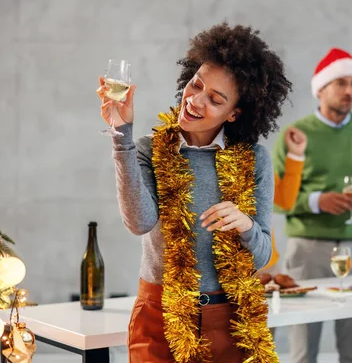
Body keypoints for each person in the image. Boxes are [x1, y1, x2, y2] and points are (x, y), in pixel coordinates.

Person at [98, 22, 292, 363]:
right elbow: (140, 222)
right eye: (196, 84)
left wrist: (245, 224)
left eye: (215, 99)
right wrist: (120, 134)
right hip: (161, 312)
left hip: (231, 317)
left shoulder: (254, 160)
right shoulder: (149, 149)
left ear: (234, 114)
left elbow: (261, 256)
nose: (195, 101)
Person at [273, 47, 352, 363]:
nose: (350, 91)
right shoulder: (296, 134)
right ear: (321, 88)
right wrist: (318, 202)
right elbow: (276, 198)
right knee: (304, 351)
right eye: (341, 83)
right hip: (307, 252)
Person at [260, 126, 308, 275]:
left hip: (266, 267)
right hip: (217, 272)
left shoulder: (254, 157)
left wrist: (295, 155)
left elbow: (285, 200)